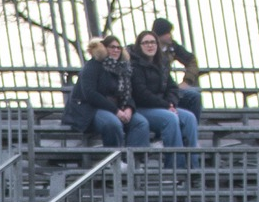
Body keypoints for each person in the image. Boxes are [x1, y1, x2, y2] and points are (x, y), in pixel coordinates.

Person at [64, 37, 149, 149]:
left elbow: (128, 93)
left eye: (118, 47)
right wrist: (116, 111)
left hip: (117, 109)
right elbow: (90, 94)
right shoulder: (92, 66)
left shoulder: (123, 69)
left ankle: (133, 161)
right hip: (91, 109)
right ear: (103, 48)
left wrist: (129, 108)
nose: (116, 50)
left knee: (141, 123)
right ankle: (114, 159)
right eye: (112, 47)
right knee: (112, 124)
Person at [130, 30, 199, 165]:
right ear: (140, 45)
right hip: (142, 108)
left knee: (190, 118)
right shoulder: (134, 65)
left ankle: (194, 169)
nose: (150, 46)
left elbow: (172, 88)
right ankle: (174, 170)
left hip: (163, 106)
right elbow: (141, 94)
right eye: (146, 43)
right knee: (171, 119)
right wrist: (166, 106)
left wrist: (171, 103)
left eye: (153, 42)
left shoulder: (162, 63)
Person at [150, 17, 202, 118]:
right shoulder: (148, 46)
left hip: (169, 89)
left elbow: (191, 60)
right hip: (154, 92)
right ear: (159, 34)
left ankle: (190, 129)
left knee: (194, 97)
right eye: (168, 33)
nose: (171, 36)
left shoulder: (172, 47)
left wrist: (187, 81)